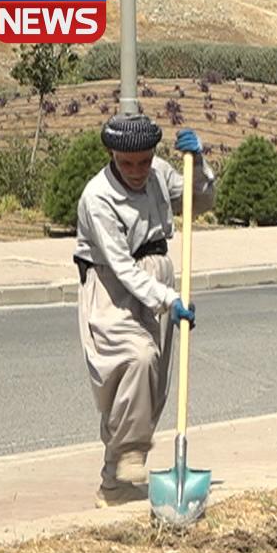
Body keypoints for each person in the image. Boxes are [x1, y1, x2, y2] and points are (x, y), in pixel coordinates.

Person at [74, 114, 215, 506]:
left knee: (147, 386)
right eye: (126, 163)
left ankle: (114, 483)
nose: (137, 172)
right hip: (112, 285)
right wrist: (169, 300)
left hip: (157, 273)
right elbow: (121, 266)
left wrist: (200, 163)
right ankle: (131, 452)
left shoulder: (160, 173)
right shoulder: (97, 198)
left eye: (144, 162)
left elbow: (199, 201)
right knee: (135, 359)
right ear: (111, 155)